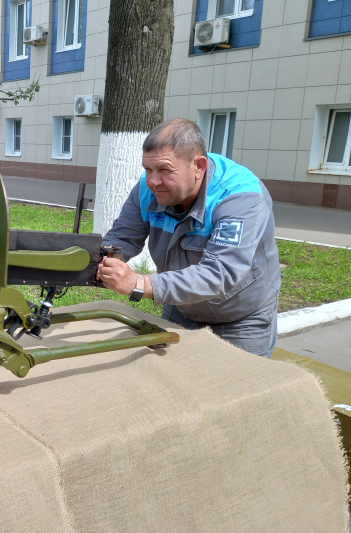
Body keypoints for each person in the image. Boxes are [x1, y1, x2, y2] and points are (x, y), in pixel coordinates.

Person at [97, 118, 281, 358]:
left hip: (242, 320)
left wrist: (141, 284)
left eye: (164, 170)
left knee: (235, 390)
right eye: (148, 169)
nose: (152, 181)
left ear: (199, 167)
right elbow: (121, 237)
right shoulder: (147, 189)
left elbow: (220, 274)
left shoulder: (240, 198)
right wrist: (91, 258)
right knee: (170, 382)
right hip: (180, 310)